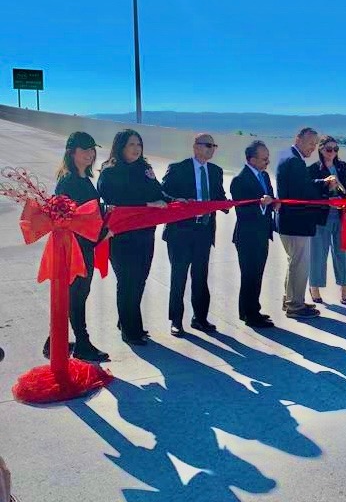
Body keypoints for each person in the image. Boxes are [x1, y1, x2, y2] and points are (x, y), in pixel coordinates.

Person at [42, 132, 109, 361]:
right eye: (85, 149)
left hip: (84, 247)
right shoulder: (69, 181)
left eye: (92, 149)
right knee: (76, 296)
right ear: (72, 152)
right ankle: (82, 343)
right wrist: (103, 233)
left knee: (75, 295)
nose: (90, 154)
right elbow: (71, 220)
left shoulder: (83, 178)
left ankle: (54, 341)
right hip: (75, 249)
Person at [97, 129, 167, 346]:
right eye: (131, 144)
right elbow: (113, 198)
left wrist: (175, 200)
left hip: (145, 234)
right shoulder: (109, 171)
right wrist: (146, 204)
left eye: (139, 144)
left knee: (140, 279)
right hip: (121, 236)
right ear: (120, 147)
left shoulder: (145, 169)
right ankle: (130, 330)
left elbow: (158, 193)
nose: (136, 149)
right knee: (128, 281)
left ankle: (126, 320)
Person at [160, 133, 228, 337]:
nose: (211, 149)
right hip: (180, 232)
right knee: (178, 277)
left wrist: (225, 204)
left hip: (204, 231)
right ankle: (176, 321)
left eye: (214, 146)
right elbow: (162, 193)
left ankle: (200, 318)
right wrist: (178, 200)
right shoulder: (178, 168)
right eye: (208, 145)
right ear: (196, 147)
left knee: (200, 277)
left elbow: (218, 195)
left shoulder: (215, 171)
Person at [275, 127, 338, 318]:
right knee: (299, 265)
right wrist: (326, 193)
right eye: (310, 143)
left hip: (290, 221)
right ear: (298, 139)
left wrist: (322, 182)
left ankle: (291, 300)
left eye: (315, 144)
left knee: (294, 263)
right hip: (296, 222)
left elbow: (302, 185)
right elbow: (302, 193)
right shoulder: (294, 160)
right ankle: (295, 306)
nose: (313, 147)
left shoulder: (288, 156)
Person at [230, 140, 278, 328]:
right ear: (252, 159)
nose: (267, 162)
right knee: (249, 275)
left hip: (262, 234)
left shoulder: (264, 176)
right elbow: (243, 211)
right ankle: (250, 314)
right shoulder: (239, 180)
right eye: (264, 159)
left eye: (268, 158)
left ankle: (250, 310)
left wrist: (273, 203)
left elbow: (270, 197)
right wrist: (261, 204)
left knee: (257, 274)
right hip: (247, 236)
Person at [308, 136, 346, 305]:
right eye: (329, 149)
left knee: (343, 252)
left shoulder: (342, 166)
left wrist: (338, 187)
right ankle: (314, 287)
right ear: (321, 149)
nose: (332, 152)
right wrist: (327, 188)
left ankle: (344, 288)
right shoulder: (313, 169)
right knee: (318, 253)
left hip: (340, 215)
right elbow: (310, 191)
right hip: (321, 217)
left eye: (335, 149)